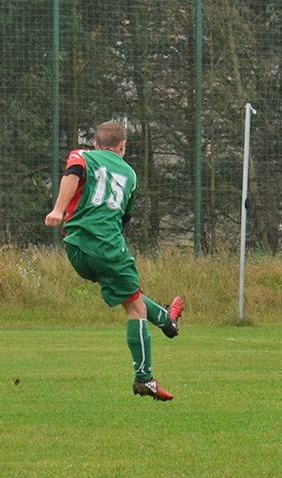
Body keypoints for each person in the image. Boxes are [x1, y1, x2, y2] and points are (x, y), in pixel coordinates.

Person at [45, 120, 183, 401]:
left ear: (96, 144)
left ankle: (168, 322)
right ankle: (145, 378)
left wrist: (62, 211)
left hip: (75, 249)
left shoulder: (83, 154)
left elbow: (73, 172)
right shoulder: (130, 174)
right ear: (122, 147)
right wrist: (58, 209)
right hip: (107, 247)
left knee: (131, 295)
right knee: (135, 310)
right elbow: (124, 218)